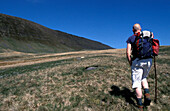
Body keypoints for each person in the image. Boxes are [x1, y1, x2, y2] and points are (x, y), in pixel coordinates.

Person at [126, 24, 152, 110]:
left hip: (137, 62)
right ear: (140, 29)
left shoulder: (131, 38)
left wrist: (130, 62)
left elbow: (128, 52)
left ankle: (140, 105)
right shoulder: (148, 35)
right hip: (148, 61)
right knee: (144, 77)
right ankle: (147, 93)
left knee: (137, 83)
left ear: (133, 30)